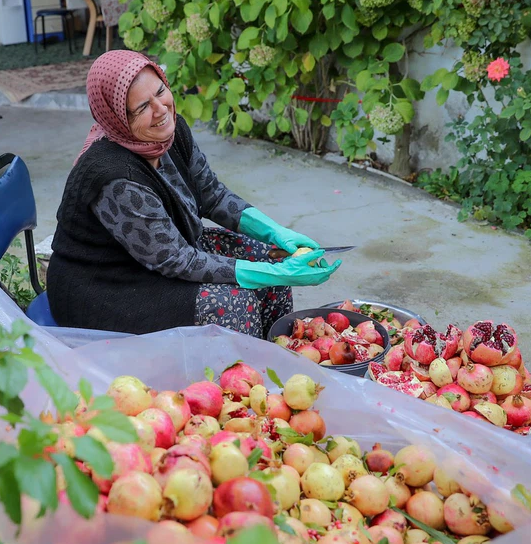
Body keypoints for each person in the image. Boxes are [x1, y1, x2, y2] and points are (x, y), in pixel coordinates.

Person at [47, 50, 339, 336]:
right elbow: (177, 259)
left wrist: (276, 233)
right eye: (142, 108)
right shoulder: (115, 178)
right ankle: (238, 382)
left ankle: (273, 359)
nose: (160, 109)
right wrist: (274, 274)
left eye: (160, 91)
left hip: (161, 257)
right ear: (118, 119)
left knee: (271, 263)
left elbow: (212, 194)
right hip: (105, 287)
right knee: (235, 305)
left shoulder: (170, 134)